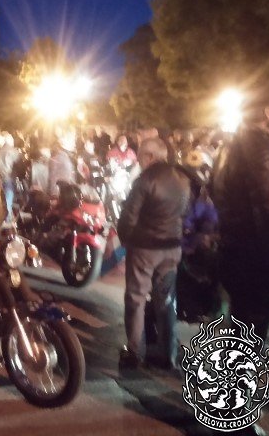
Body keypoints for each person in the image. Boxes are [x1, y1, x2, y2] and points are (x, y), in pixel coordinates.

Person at [117, 137, 190, 371]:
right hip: (172, 247)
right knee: (166, 301)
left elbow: (129, 216)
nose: (138, 161)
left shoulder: (146, 179)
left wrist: (126, 238)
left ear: (149, 156)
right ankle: (168, 353)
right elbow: (184, 212)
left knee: (136, 299)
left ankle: (135, 352)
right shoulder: (181, 178)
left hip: (145, 248)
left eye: (140, 156)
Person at [211, 102, 269, 345]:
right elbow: (268, 201)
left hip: (235, 247)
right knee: (253, 328)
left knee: (242, 325)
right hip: (258, 254)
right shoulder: (258, 145)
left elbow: (214, 190)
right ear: (268, 111)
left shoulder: (230, 144)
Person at [0, 133, 20, 223]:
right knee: (8, 199)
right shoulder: (14, 151)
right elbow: (18, 164)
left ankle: (1, 217)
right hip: (10, 177)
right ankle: (7, 219)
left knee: (1, 199)